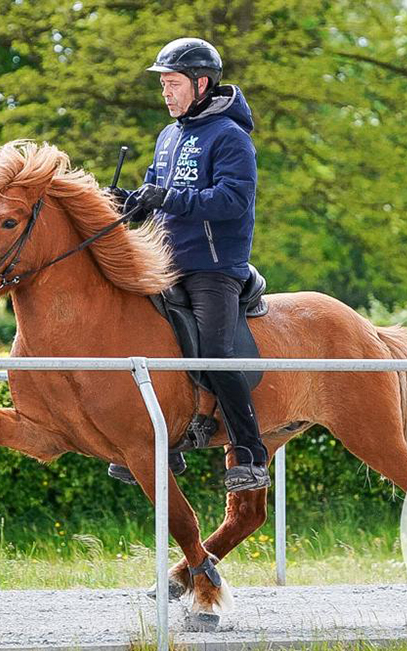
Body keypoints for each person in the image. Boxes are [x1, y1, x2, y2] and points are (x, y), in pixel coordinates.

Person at [105, 37, 270, 492]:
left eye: (172, 83)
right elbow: (156, 194)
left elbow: (234, 200)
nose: (165, 92)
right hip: (164, 262)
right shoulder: (169, 136)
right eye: (162, 83)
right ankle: (164, 443)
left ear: (201, 84)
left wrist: (169, 198)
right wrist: (131, 204)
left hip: (214, 268)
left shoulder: (232, 138)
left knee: (214, 357)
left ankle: (251, 453)